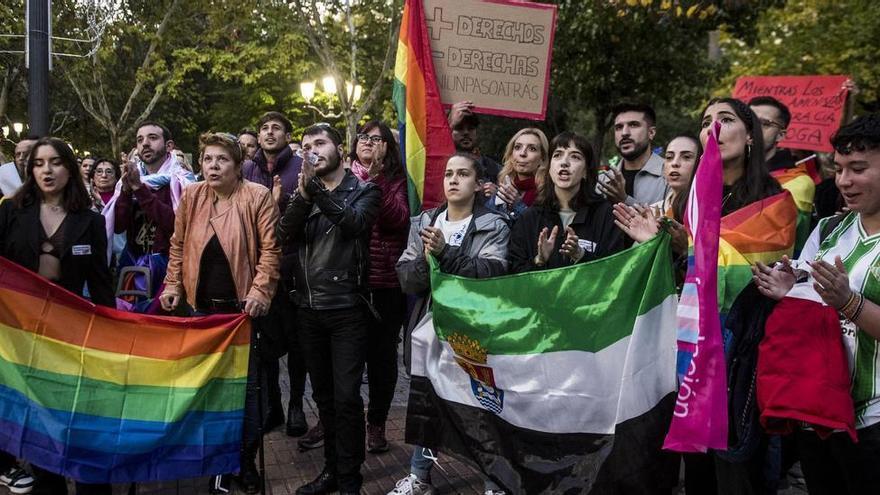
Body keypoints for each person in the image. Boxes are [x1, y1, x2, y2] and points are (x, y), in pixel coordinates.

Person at [752, 114, 880, 495]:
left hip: (874, 419)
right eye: (839, 169)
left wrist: (849, 302)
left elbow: (842, 302)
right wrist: (790, 290)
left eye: (859, 169)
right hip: (820, 412)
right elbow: (811, 303)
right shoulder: (828, 230)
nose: (844, 181)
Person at [158, 132, 281, 495]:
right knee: (209, 391)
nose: (213, 166)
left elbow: (271, 252)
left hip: (243, 314)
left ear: (237, 164)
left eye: (221, 159)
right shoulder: (193, 196)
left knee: (248, 395)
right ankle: (216, 462)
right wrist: (172, 285)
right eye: (208, 159)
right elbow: (177, 246)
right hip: (202, 313)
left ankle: (244, 462)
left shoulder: (256, 196)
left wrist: (260, 292)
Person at [389, 152, 510, 495]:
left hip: (475, 331)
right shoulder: (424, 222)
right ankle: (419, 477)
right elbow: (407, 280)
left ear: (478, 184)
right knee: (429, 403)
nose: (453, 180)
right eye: (448, 174)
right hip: (431, 329)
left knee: (482, 407)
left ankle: (494, 483)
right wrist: (428, 263)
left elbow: (492, 274)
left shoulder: (494, 225)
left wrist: (445, 255)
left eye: (463, 174)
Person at [0, 137, 114, 495]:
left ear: (69, 168)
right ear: (29, 170)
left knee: (82, 421)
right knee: (41, 425)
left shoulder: (90, 221)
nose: (46, 171)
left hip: (73, 333)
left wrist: (113, 335)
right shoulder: (9, 212)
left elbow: (100, 283)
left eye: (55, 163)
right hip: (22, 337)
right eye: (38, 163)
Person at [276, 123, 381, 495]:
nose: (312, 150)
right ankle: (332, 471)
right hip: (307, 307)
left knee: (347, 398)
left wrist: (316, 193)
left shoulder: (365, 190)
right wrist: (304, 196)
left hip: (347, 308)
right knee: (324, 398)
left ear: (340, 148)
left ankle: (350, 479)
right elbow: (280, 235)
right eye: (305, 145)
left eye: (320, 143)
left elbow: (355, 224)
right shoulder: (304, 191)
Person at [242, 111, 309, 437]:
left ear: (286, 135)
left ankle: (297, 404)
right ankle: (274, 406)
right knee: (264, 343)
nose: (269, 133)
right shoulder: (247, 170)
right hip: (258, 271)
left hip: (294, 267)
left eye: (276, 128)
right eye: (264, 127)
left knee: (297, 344)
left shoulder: (299, 168)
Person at [348, 121, 410, 453]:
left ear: (388, 147)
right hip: (348, 284)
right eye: (364, 137)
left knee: (382, 360)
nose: (369, 143)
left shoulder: (397, 182)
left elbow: (397, 219)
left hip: (385, 284)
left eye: (377, 139)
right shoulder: (343, 176)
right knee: (346, 360)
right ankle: (340, 420)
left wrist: (377, 179)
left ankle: (376, 423)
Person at [508, 131, 628, 273]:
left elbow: (616, 273)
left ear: (586, 171)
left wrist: (581, 255)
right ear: (549, 167)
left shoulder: (606, 215)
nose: (564, 163)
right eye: (557, 155)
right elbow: (513, 275)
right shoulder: (529, 218)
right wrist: (539, 261)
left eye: (575, 157)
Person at [113, 121, 194, 305]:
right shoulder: (130, 179)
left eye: (152, 138)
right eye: (140, 140)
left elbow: (174, 225)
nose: (145, 144)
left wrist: (139, 189)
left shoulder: (183, 182)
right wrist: (126, 192)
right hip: (132, 264)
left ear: (169, 146)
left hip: (168, 267)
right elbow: (118, 226)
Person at [598, 103, 667, 206]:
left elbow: (671, 220)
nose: (624, 133)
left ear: (651, 133)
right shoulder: (603, 180)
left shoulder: (670, 175)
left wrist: (625, 200)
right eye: (619, 127)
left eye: (633, 125)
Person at [485, 128, 548, 222]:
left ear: (542, 158)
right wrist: (493, 200)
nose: (522, 153)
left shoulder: (547, 193)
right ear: (511, 154)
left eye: (532, 149)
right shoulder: (502, 187)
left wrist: (518, 205)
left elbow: (537, 229)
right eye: (518, 147)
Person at [448, 100, 502, 194]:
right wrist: (449, 124)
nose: (466, 133)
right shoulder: (437, 163)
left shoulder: (493, 168)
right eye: (459, 128)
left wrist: (496, 197)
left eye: (471, 128)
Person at [748, 96, 795, 172]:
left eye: (765, 124)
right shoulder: (728, 171)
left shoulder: (793, 181)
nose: (754, 128)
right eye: (749, 121)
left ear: (780, 135)